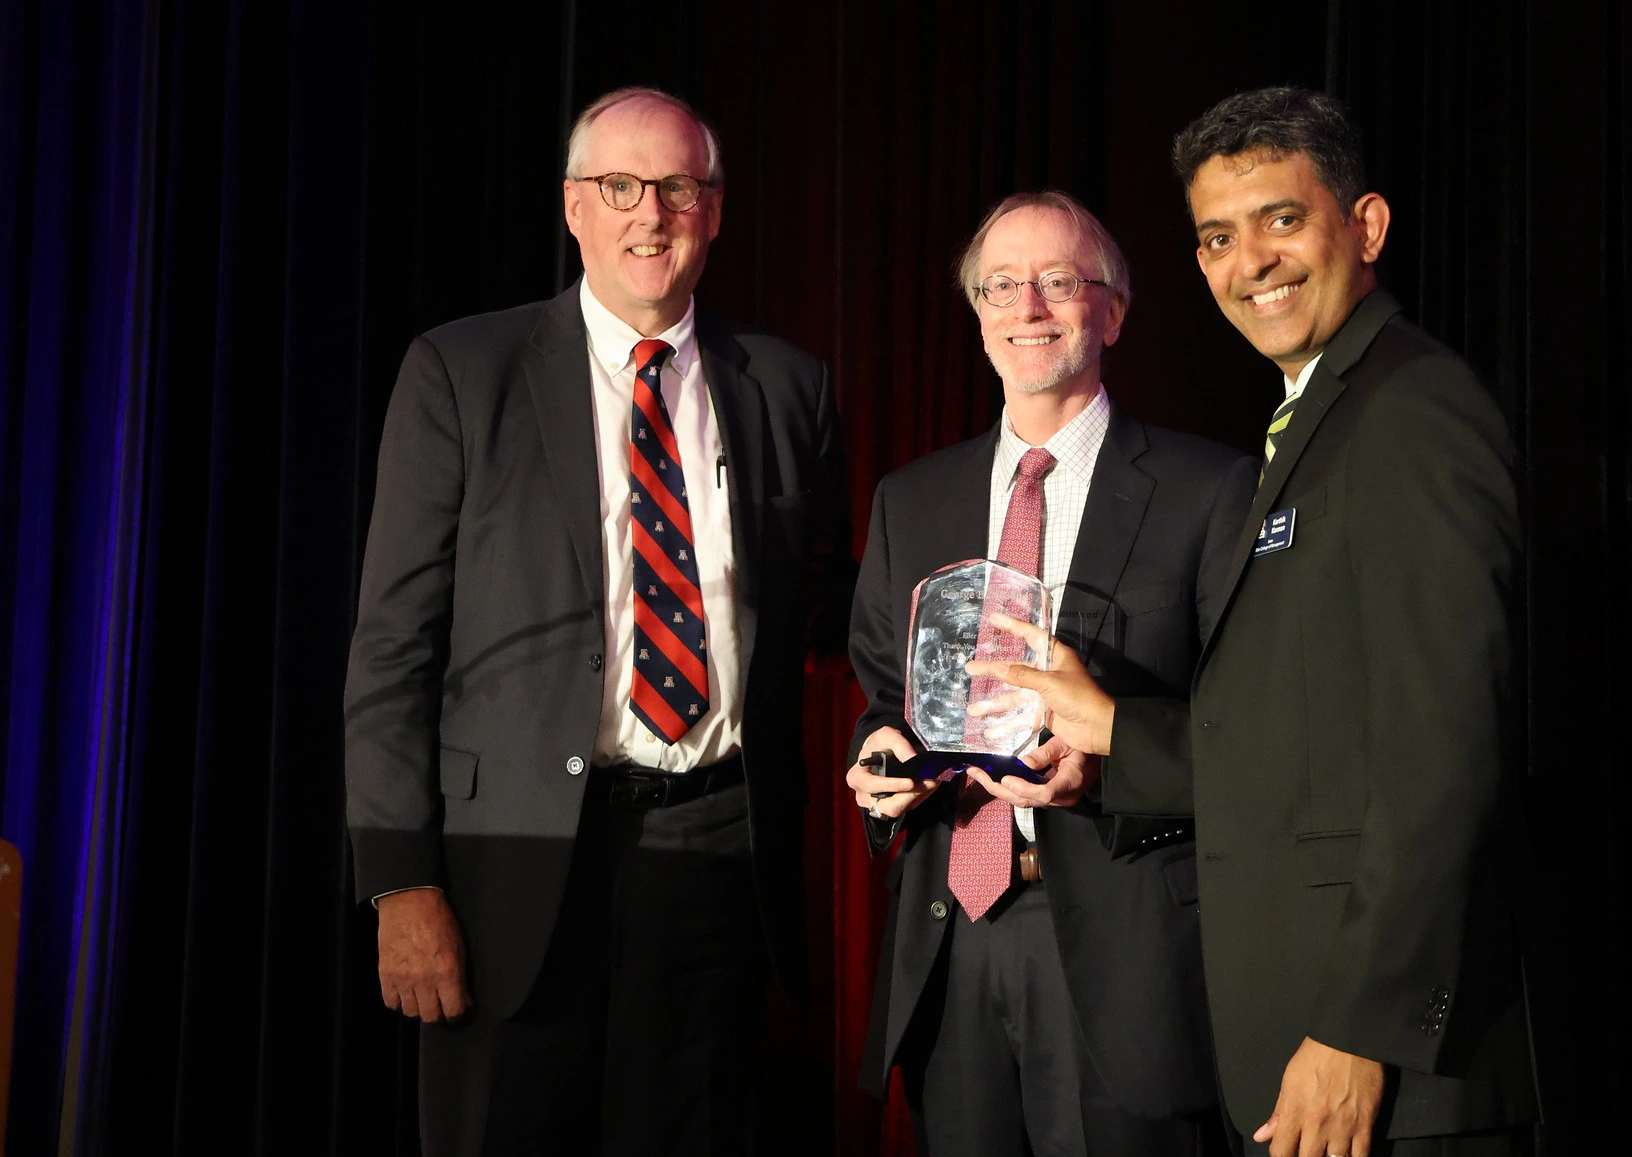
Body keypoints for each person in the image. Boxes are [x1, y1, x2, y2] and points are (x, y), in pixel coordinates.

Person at [986, 88, 1538, 1157]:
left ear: (1364, 226)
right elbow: (1308, 740)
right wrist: (1115, 730)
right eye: (1217, 237)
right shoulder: (1317, 418)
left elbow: (1444, 750)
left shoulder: (1413, 412)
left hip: (1388, 1072)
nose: (1252, 262)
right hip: (1303, 1048)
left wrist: (1360, 1029)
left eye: (1282, 219)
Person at [343, 86, 850, 1156]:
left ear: (715, 210)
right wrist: (400, 878)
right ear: (574, 206)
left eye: (677, 187)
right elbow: (392, 648)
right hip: (509, 865)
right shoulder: (462, 372)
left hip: (713, 857)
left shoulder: (788, 386)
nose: (649, 214)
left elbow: (824, 606)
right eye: (620, 186)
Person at [841, 190, 1257, 1156]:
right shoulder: (911, 498)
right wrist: (883, 758)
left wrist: (1108, 763)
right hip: (953, 937)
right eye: (1001, 285)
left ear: (1113, 310)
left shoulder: (1208, 490)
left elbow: (1249, 728)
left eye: (1059, 281)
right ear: (978, 311)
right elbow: (884, 693)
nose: (1027, 306)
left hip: (1125, 950)